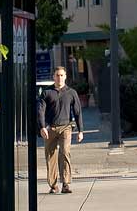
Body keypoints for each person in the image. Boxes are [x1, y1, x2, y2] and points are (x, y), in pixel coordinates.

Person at [37, 66, 83, 194]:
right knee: (50, 156)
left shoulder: (71, 92)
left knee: (65, 152)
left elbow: (78, 112)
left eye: (62, 75)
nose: (59, 78)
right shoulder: (47, 92)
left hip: (66, 127)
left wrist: (80, 131)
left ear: (65, 76)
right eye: (57, 75)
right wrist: (42, 127)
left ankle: (66, 184)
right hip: (50, 128)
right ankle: (53, 185)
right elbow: (40, 111)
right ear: (53, 77)